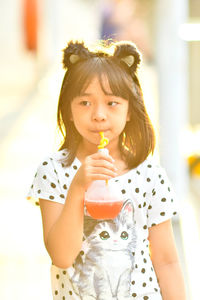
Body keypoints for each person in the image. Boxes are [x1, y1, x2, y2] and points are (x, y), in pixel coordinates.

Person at [27, 40, 186, 299]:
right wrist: (79, 186)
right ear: (68, 109)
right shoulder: (54, 171)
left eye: (112, 103)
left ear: (129, 112)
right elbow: (61, 256)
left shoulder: (150, 175)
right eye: (85, 103)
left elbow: (167, 260)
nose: (99, 115)